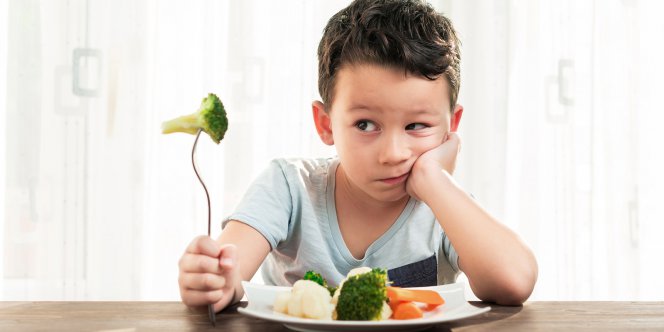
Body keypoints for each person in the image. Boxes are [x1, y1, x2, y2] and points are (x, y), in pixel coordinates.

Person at [178, 0, 538, 313]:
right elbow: (231, 266)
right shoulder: (288, 188)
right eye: (365, 124)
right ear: (326, 124)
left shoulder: (445, 207)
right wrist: (216, 279)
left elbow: (514, 282)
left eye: (416, 126)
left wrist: (433, 180)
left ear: (451, 126)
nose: (393, 154)